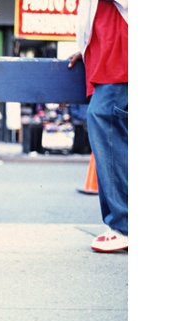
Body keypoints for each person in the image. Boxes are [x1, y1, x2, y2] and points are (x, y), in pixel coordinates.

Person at [68, 0, 128, 252]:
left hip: (118, 57)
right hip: (109, 54)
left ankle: (125, 225)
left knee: (106, 123)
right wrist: (86, 47)